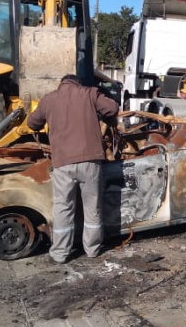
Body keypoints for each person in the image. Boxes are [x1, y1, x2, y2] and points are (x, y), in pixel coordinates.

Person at [27, 74, 119, 264]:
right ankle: (92, 249)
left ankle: (60, 253)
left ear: (61, 84)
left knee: (63, 208)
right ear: (78, 83)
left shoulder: (49, 99)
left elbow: (32, 123)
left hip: (63, 163)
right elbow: (112, 108)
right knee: (92, 207)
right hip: (90, 162)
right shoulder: (90, 93)